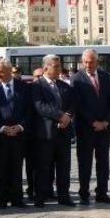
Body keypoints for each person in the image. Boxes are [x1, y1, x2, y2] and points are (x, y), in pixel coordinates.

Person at [70, 49, 110, 205]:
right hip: (85, 128)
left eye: (92, 62)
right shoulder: (76, 79)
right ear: (82, 62)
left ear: (97, 61)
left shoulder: (105, 76)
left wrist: (107, 121)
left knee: (103, 162)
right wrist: (92, 122)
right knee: (85, 163)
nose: (89, 65)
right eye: (86, 62)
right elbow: (78, 105)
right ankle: (84, 194)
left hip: (104, 128)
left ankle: (102, 193)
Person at [31, 54, 75, 208]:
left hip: (64, 133)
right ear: (45, 68)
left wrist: (68, 115)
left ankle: (64, 196)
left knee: (64, 167)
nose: (59, 69)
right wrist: (60, 116)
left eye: (59, 66)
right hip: (46, 134)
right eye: (55, 66)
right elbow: (40, 106)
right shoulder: (37, 85)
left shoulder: (64, 86)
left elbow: (72, 104)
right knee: (43, 167)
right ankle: (40, 197)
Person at [0, 58, 31, 209]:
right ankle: (3, 199)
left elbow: (29, 110)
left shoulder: (23, 87)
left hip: (19, 135)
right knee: (1, 169)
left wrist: (20, 126)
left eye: (1, 71)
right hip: (0, 136)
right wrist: (1, 128)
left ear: (9, 71)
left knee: (17, 168)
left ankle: (17, 199)